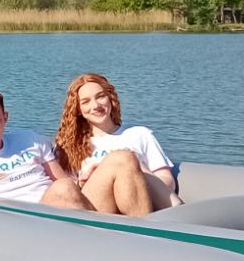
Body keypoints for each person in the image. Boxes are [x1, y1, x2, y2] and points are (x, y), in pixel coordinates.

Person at [0, 85, 95, 209]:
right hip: (28, 219)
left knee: (117, 160)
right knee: (64, 188)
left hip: (65, 205)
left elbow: (60, 178)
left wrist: (83, 181)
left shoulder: (30, 139)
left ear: (5, 118)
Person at [55, 73, 181, 214]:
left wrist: (139, 173)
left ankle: (159, 222)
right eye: (86, 102)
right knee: (121, 158)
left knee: (127, 160)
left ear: (110, 98)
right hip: (95, 206)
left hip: (138, 199)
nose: (96, 105)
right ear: (78, 109)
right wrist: (82, 182)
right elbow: (66, 191)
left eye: (100, 96)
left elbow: (167, 179)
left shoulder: (139, 134)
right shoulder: (69, 145)